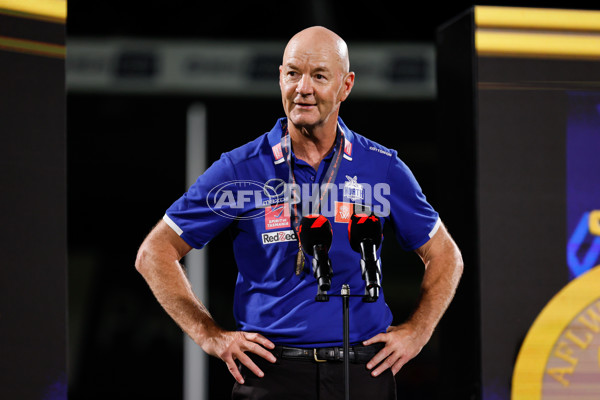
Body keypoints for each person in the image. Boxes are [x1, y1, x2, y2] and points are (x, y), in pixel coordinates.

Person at [135, 26, 463, 399]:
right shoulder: (242, 169)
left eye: (319, 76)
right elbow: (154, 253)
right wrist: (210, 335)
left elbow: (446, 255)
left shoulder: (381, 167)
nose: (302, 88)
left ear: (346, 86)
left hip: (361, 373)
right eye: (293, 73)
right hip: (272, 376)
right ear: (280, 77)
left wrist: (418, 331)